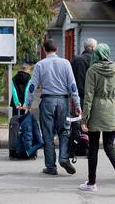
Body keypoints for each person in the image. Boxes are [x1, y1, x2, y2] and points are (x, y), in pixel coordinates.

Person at [79, 43, 115, 195]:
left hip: (96, 111)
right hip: (112, 110)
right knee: (109, 147)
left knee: (93, 147)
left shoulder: (92, 70)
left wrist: (84, 119)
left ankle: (92, 182)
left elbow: (88, 97)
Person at [24, 39, 81, 175]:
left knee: (48, 134)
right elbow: (72, 85)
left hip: (47, 101)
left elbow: (32, 86)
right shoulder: (66, 63)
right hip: (63, 101)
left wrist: (28, 104)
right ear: (56, 49)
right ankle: (63, 157)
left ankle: (51, 166)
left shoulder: (40, 65)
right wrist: (77, 104)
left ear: (44, 50)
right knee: (65, 131)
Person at [71, 38, 97, 108]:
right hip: (93, 97)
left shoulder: (76, 60)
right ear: (93, 48)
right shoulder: (97, 61)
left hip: (77, 96)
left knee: (78, 117)